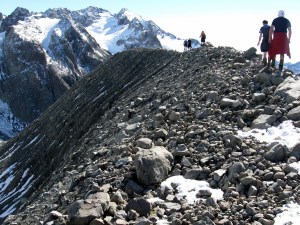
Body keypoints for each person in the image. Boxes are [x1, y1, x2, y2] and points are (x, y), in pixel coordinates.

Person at [268, 10, 292, 75]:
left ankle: (272, 65)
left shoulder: (275, 20)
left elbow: (271, 29)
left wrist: (270, 37)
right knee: (282, 51)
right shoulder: (287, 20)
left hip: (276, 36)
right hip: (284, 37)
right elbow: (290, 30)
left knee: (273, 50)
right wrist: (289, 39)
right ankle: (280, 68)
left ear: (278, 14)